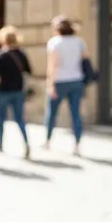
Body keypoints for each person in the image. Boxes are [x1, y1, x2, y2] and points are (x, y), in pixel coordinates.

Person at [45, 16, 89, 155]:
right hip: (76, 80)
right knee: (76, 114)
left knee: (52, 112)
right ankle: (77, 145)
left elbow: (53, 65)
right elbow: (85, 60)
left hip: (59, 81)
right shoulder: (79, 42)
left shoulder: (55, 43)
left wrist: (50, 84)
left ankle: (48, 140)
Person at [0, 26, 32, 158]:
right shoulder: (21, 53)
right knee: (20, 118)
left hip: (3, 91)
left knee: (0, 119)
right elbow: (29, 71)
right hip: (18, 91)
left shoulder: (0, 54)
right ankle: (26, 144)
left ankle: (0, 144)